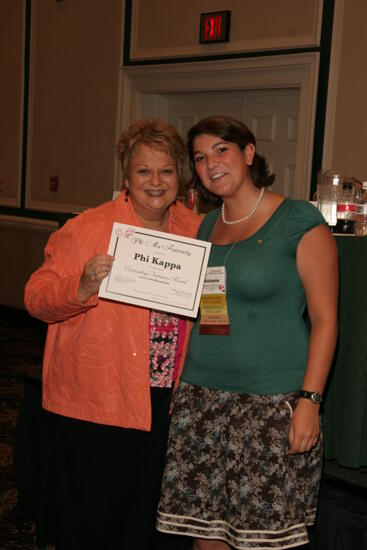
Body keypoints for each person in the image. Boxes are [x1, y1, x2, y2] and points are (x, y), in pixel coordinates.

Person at [156, 115, 339, 550]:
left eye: (222, 150)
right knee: (206, 537)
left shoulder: (298, 219)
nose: (210, 164)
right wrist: (182, 385)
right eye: (200, 157)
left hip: (271, 405)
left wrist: (310, 402)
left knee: (265, 539)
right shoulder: (206, 225)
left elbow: (327, 320)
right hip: (202, 400)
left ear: (249, 153)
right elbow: (203, 314)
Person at [24, 118, 202, 550]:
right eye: (143, 171)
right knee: (96, 523)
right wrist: (81, 287)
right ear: (126, 176)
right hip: (97, 403)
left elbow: (212, 305)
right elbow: (35, 298)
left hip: (166, 399)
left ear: (180, 174)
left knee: (149, 521)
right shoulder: (87, 228)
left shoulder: (197, 230)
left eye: (165, 171)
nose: (155, 182)